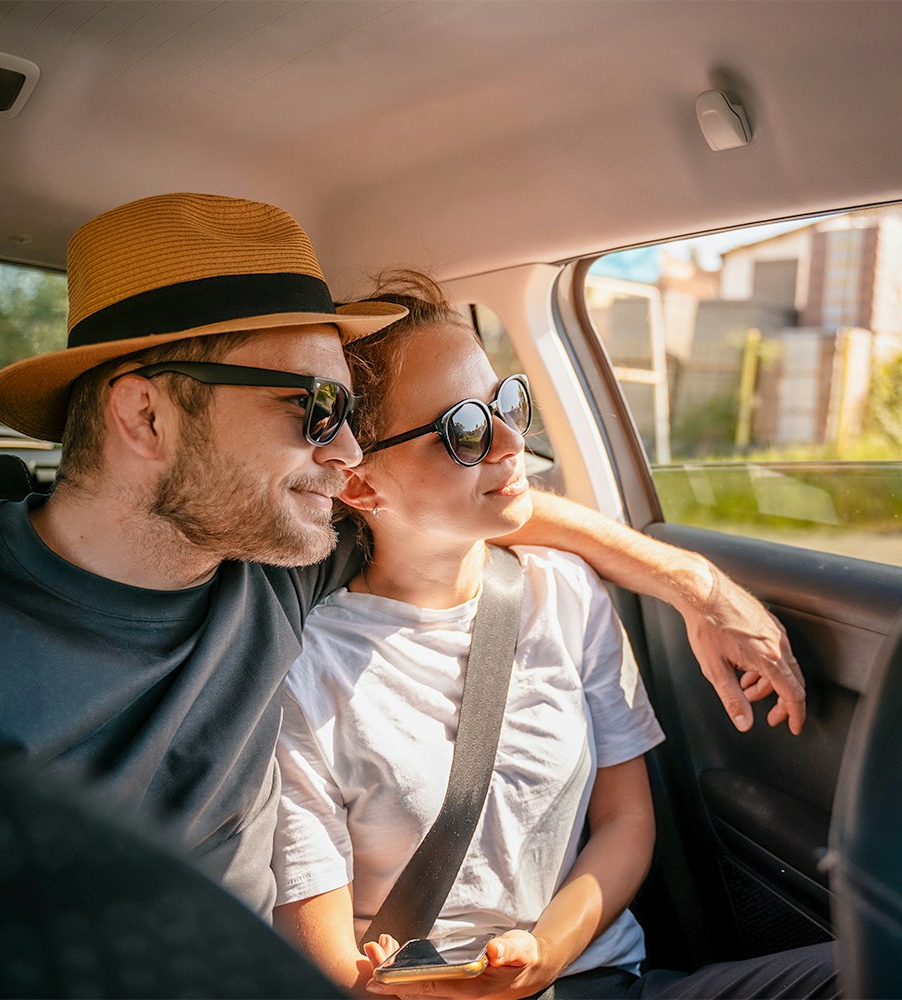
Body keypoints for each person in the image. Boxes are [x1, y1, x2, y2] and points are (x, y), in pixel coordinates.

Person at [0, 193, 808, 922]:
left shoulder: (278, 568)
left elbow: (497, 508)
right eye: (313, 410)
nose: (344, 452)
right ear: (146, 413)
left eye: (350, 413)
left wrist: (696, 583)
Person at [272, 271, 836, 1000]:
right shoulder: (311, 667)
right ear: (358, 484)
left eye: (506, 403)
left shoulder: (565, 591)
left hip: (601, 980)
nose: (513, 441)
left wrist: (545, 951)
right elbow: (320, 946)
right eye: (465, 430)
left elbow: (626, 818)